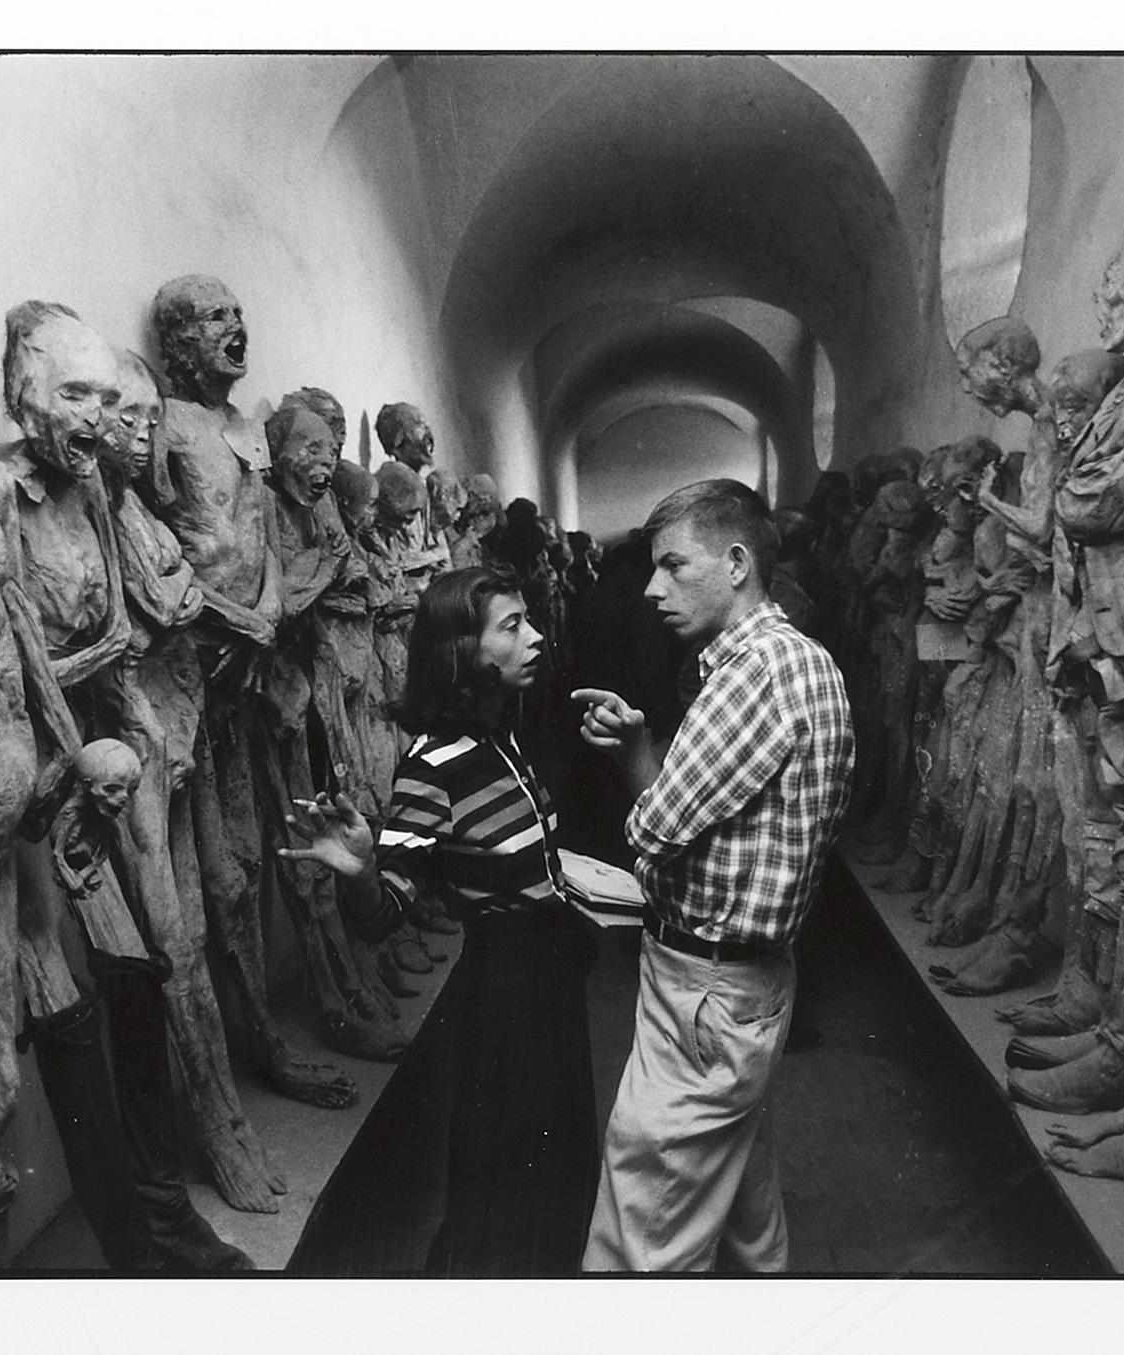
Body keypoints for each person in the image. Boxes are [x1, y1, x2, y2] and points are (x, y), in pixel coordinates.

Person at [279, 566, 598, 1275]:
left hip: (550, 974)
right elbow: (382, 915)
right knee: (507, 1183)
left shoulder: (500, 737)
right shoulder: (432, 767)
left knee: (562, 1164)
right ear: (462, 650)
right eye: (512, 626)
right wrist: (361, 870)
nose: (535, 636)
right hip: (506, 991)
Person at [573, 478, 854, 1271]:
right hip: (736, 986)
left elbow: (653, 826)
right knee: (743, 1217)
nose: (652, 589)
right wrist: (646, 755)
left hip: (705, 989)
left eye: (672, 565)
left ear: (735, 563)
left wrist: (634, 758)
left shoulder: (754, 671)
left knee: (643, 1232)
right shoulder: (787, 657)